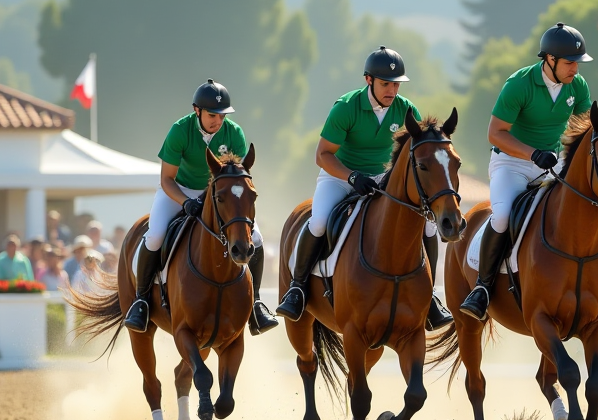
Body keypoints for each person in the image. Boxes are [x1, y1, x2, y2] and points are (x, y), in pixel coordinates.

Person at [458, 23, 598, 322]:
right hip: (512, 163)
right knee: (502, 216)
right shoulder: (519, 84)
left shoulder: (577, 86)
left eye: (577, 64)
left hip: (552, 162)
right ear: (550, 60)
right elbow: (495, 133)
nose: (575, 70)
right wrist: (531, 153)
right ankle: (483, 287)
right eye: (570, 63)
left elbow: (582, 131)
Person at [276, 47, 452, 331]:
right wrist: (352, 177)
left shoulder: (407, 110)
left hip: (383, 179)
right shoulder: (346, 107)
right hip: (339, 176)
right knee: (319, 221)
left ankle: (430, 296)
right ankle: (296, 288)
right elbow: (322, 155)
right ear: (368, 80)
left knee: (428, 227)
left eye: (396, 84)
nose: (392, 90)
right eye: (386, 84)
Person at [124, 79, 277, 336]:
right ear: (197, 110)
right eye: (212, 115)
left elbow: (235, 179)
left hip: (218, 194)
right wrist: (186, 202)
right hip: (178, 191)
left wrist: (213, 199)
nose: (218, 120)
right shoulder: (180, 131)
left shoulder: (234, 133)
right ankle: (140, 301)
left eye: (222, 115)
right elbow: (166, 179)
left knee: (257, 239)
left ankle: (257, 304)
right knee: (155, 236)